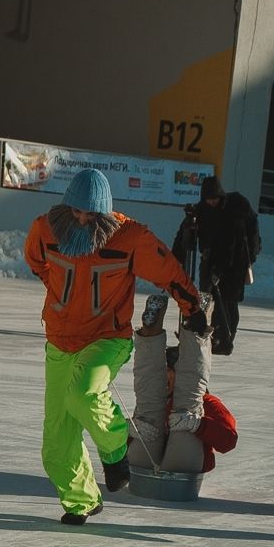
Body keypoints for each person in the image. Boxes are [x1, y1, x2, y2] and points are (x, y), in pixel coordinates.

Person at [23, 167, 205, 525]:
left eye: (90, 214)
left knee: (85, 394)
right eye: (76, 210)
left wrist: (193, 307)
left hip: (107, 339)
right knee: (56, 446)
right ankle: (82, 501)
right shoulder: (46, 228)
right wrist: (59, 296)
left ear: (103, 211)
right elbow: (36, 262)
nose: (81, 218)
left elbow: (168, 271)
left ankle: (116, 449)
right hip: (60, 341)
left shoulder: (128, 237)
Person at [127, 292, 238, 474]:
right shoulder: (197, 401)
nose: (164, 380)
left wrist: (198, 425)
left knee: (156, 407)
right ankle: (195, 325)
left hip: (147, 469)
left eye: (170, 374)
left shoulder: (208, 403)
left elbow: (228, 439)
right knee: (176, 406)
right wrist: (129, 430)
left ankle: (154, 332)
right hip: (175, 468)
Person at [172, 175, 261, 355]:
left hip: (235, 263)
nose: (212, 202)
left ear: (220, 196)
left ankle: (225, 338)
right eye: (208, 199)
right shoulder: (202, 210)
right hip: (210, 261)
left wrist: (248, 258)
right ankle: (208, 335)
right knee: (206, 298)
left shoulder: (234, 209)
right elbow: (183, 236)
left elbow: (234, 244)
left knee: (228, 301)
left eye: (214, 198)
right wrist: (176, 260)